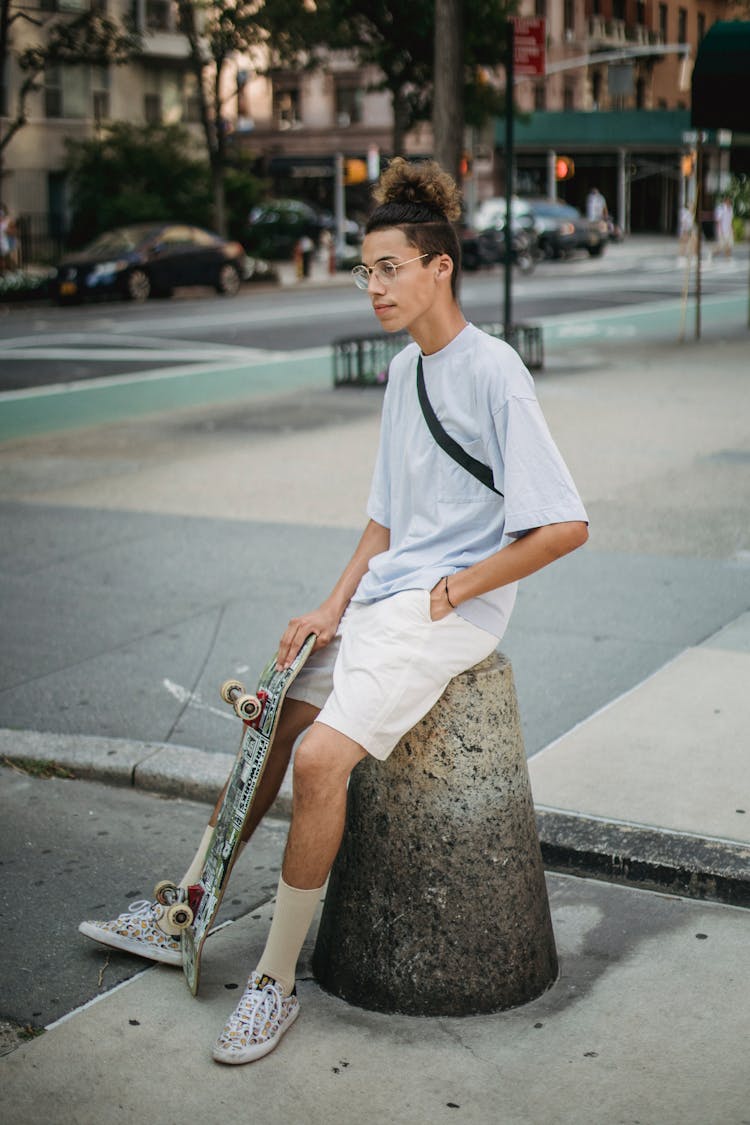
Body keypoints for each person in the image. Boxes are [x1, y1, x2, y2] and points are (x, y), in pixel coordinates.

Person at [79, 157, 589, 1065]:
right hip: (389, 600)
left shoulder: (494, 371)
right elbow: (384, 520)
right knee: (272, 720)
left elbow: (564, 525)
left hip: (444, 613)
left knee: (320, 762)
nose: (373, 286)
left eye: (389, 267)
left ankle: (273, 983)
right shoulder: (403, 376)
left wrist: (456, 588)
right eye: (366, 270)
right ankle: (184, 908)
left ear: (440, 266)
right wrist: (327, 607)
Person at [714, 194, 734, 259]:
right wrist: (720, 231)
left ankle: (728, 258)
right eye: (727, 200)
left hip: (729, 230)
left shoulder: (730, 209)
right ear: (725, 201)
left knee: (729, 245)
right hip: (722, 231)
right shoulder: (721, 209)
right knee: (721, 247)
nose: (729, 202)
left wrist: (732, 230)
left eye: (729, 200)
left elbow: (730, 221)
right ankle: (712, 254)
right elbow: (718, 221)